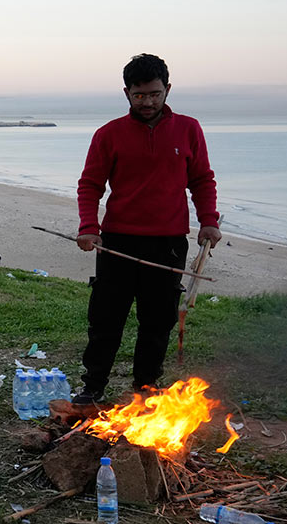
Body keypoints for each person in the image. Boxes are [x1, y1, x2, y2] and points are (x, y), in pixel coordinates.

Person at [74, 53, 220, 407]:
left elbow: (201, 179)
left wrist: (209, 221)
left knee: (158, 321)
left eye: (155, 94)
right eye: (139, 95)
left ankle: (146, 388)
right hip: (118, 242)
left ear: (167, 89)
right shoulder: (108, 134)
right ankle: (93, 385)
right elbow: (90, 184)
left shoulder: (189, 129)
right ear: (127, 93)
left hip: (168, 243)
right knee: (106, 319)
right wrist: (88, 227)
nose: (148, 102)